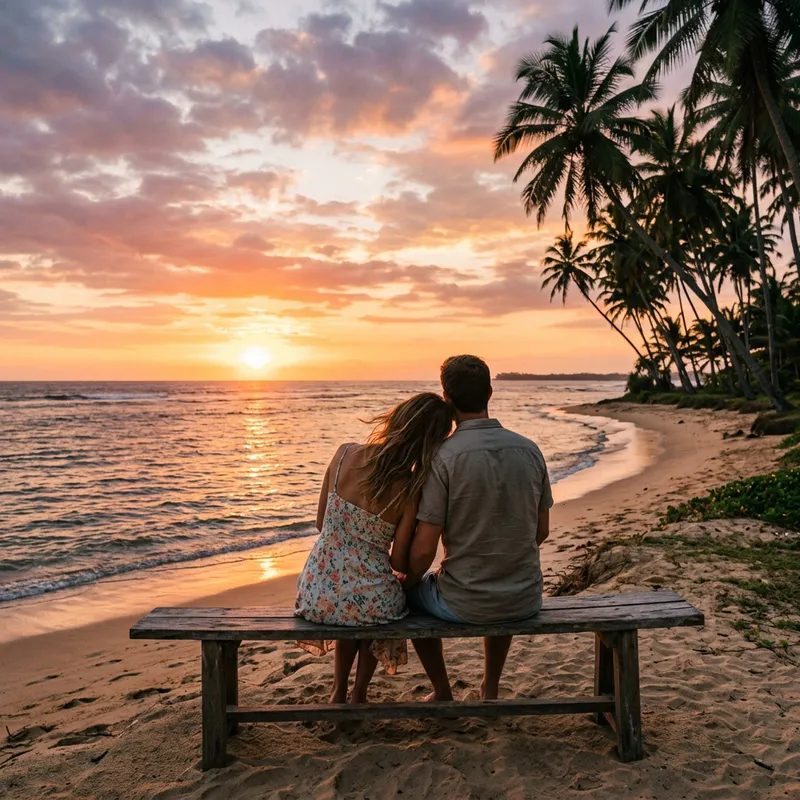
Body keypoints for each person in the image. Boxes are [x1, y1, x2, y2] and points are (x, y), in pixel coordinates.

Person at [404, 355, 553, 702]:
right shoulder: (530, 450)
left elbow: (424, 551)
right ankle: (491, 686)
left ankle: (442, 690)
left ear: (447, 398)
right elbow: (540, 532)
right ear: (489, 393)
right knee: (500, 572)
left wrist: (407, 581)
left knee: (408, 597)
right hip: (524, 598)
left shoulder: (442, 457)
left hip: (465, 602)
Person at [295, 392, 453, 704]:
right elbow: (398, 562)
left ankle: (338, 691)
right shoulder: (408, 489)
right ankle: (359, 693)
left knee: (354, 598)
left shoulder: (343, 454)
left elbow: (320, 523)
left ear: (396, 418)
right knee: (372, 601)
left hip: (318, 591)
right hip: (371, 602)